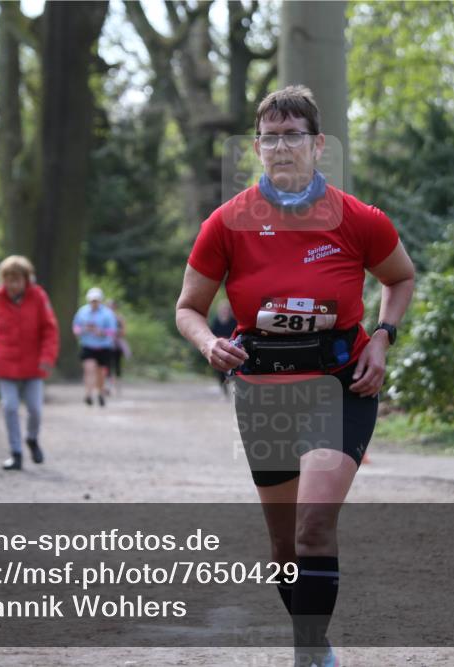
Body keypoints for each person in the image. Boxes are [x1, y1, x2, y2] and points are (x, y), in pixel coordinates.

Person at [175, 85, 415, 667]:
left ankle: (309, 651)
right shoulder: (227, 223)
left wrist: (382, 339)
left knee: (312, 526)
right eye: (271, 137)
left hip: (340, 383)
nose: (282, 147)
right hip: (264, 392)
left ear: (317, 145)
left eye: (294, 136)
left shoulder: (359, 219)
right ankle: (312, 638)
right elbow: (188, 308)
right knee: (284, 544)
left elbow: (400, 278)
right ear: (257, 148)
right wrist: (209, 343)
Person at [0, 255, 59, 471]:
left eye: (17, 280)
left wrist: (47, 358)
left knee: (35, 409)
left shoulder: (38, 297)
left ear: (26, 279)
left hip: (33, 364)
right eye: (8, 280)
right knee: (10, 407)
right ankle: (16, 453)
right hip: (4, 363)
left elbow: (50, 330)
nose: (12, 285)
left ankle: (32, 439)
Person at [72, 286, 117, 406]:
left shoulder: (108, 314)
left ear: (100, 300)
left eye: (96, 300)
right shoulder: (82, 312)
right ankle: (88, 394)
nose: (94, 303)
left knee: (101, 372)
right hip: (88, 346)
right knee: (88, 370)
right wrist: (83, 330)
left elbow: (113, 331)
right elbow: (76, 327)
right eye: (92, 300)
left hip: (103, 347)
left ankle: (100, 393)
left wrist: (101, 332)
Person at [209, 300, 237, 393]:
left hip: (232, 347)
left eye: (226, 309)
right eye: (223, 309)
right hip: (220, 348)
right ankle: (224, 391)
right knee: (220, 370)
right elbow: (212, 333)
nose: (224, 311)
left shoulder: (234, 321)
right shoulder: (216, 320)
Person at [105, 298, 128, 396]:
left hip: (116, 345)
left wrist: (115, 332)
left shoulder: (119, 318)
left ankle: (118, 387)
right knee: (108, 367)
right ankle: (108, 387)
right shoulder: (104, 317)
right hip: (106, 344)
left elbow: (123, 332)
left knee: (117, 366)